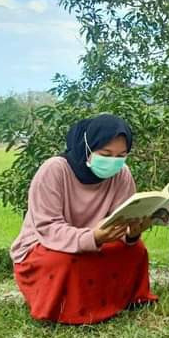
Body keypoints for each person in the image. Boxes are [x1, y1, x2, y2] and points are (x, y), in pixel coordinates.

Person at [10, 114, 156, 324]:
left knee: (136, 250)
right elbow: (47, 227)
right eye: (106, 154)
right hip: (45, 245)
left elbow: (122, 218)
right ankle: (67, 311)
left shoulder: (122, 174)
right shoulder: (55, 170)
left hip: (99, 240)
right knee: (64, 261)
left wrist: (132, 234)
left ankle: (123, 301)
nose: (113, 162)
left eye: (121, 155)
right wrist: (92, 237)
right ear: (87, 147)